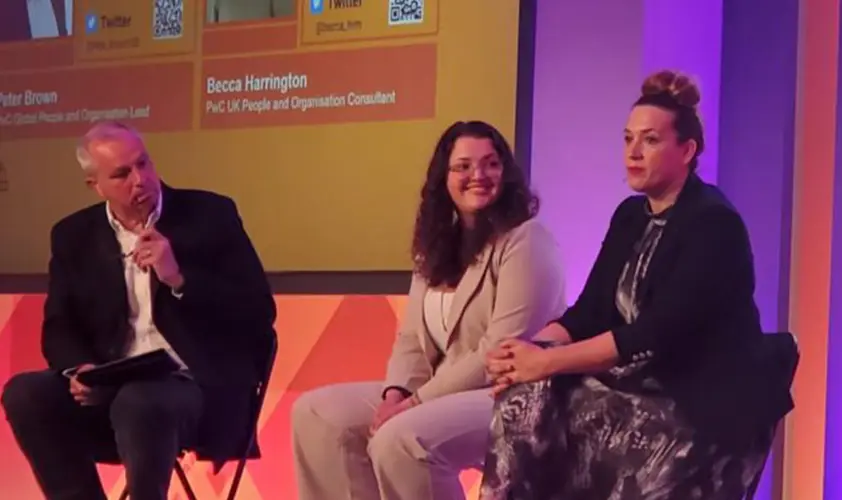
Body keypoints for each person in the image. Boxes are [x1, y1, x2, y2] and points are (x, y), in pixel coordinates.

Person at [480, 70, 794, 499]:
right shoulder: (630, 215)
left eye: (649, 140)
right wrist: (528, 354)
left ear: (687, 150)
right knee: (523, 394)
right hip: (639, 384)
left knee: (552, 387)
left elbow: (654, 335)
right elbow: (588, 313)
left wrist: (547, 362)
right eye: (627, 139)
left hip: (699, 404)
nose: (633, 152)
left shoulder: (714, 224)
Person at [289, 120, 566, 500]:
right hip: (438, 388)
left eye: (491, 164)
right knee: (316, 414)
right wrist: (394, 395)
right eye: (463, 166)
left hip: (508, 394)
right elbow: (411, 340)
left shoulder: (527, 239)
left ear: (507, 173)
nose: (478, 176)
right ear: (444, 177)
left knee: (401, 439)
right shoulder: (435, 245)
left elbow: (500, 348)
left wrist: (416, 402)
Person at [1, 121, 276, 500]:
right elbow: (60, 326)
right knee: (25, 393)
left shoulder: (210, 215)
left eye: (143, 164)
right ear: (95, 186)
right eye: (122, 174)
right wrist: (81, 370)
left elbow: (257, 311)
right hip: (112, 386)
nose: (141, 180)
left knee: (141, 401)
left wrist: (177, 278)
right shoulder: (73, 235)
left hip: (194, 388)